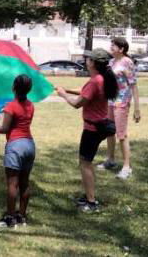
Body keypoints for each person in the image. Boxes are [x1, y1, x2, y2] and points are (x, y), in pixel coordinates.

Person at [56, 48, 118, 213]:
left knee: (85, 163)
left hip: (92, 129)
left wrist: (63, 94)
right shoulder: (101, 78)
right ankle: (88, 196)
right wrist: (67, 89)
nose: (86, 60)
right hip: (100, 125)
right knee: (86, 162)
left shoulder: (95, 81)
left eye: (89, 59)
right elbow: (86, 92)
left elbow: (77, 103)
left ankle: (91, 202)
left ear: (94, 63)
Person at [0, 75, 35, 228]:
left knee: (12, 183)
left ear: (13, 87)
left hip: (15, 146)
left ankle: (9, 218)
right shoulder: (30, 105)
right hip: (29, 144)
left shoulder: (11, 106)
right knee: (24, 182)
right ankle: (21, 216)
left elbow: (5, 128)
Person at [97, 38, 140, 179]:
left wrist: (137, 108)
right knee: (110, 131)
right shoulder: (111, 62)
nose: (111, 47)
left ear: (121, 49)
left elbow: (133, 85)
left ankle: (127, 167)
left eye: (114, 45)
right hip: (110, 101)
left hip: (122, 102)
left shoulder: (127, 62)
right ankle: (110, 160)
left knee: (121, 134)